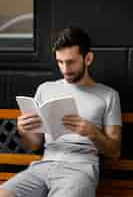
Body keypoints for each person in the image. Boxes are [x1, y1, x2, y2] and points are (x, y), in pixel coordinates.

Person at [0, 27, 122, 197]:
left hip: (80, 169)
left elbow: (115, 151)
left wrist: (92, 133)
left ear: (88, 58)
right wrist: (23, 130)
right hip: (43, 166)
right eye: (60, 62)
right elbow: (34, 145)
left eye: (71, 62)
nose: (65, 69)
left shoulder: (108, 95)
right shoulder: (45, 89)